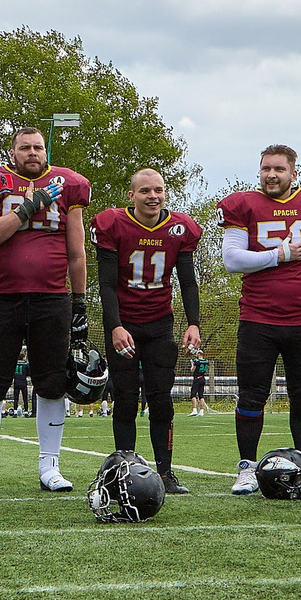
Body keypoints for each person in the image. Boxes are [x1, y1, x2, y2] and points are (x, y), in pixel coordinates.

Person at [0, 128, 92, 494]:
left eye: (38, 147)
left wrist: (80, 301)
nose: (33, 153)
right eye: (25, 147)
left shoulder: (68, 184)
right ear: (13, 151)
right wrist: (30, 206)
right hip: (2, 295)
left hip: (52, 297)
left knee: (52, 382)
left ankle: (49, 465)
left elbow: (76, 251)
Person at [218, 144, 301, 493]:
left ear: (294, 173)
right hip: (258, 319)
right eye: (265, 169)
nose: (271, 175)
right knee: (251, 396)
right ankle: (245, 467)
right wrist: (281, 254)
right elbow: (232, 259)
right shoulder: (243, 205)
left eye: (278, 169)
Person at [92, 167, 206, 494]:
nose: (152, 196)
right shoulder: (114, 225)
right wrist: (114, 326)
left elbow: (187, 282)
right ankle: (123, 471)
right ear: (131, 195)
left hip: (159, 324)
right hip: (124, 322)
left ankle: (166, 473)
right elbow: (107, 284)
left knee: (161, 400)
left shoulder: (179, 229)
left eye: (158, 189)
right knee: (125, 399)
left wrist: (194, 323)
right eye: (145, 190)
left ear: (165, 193)